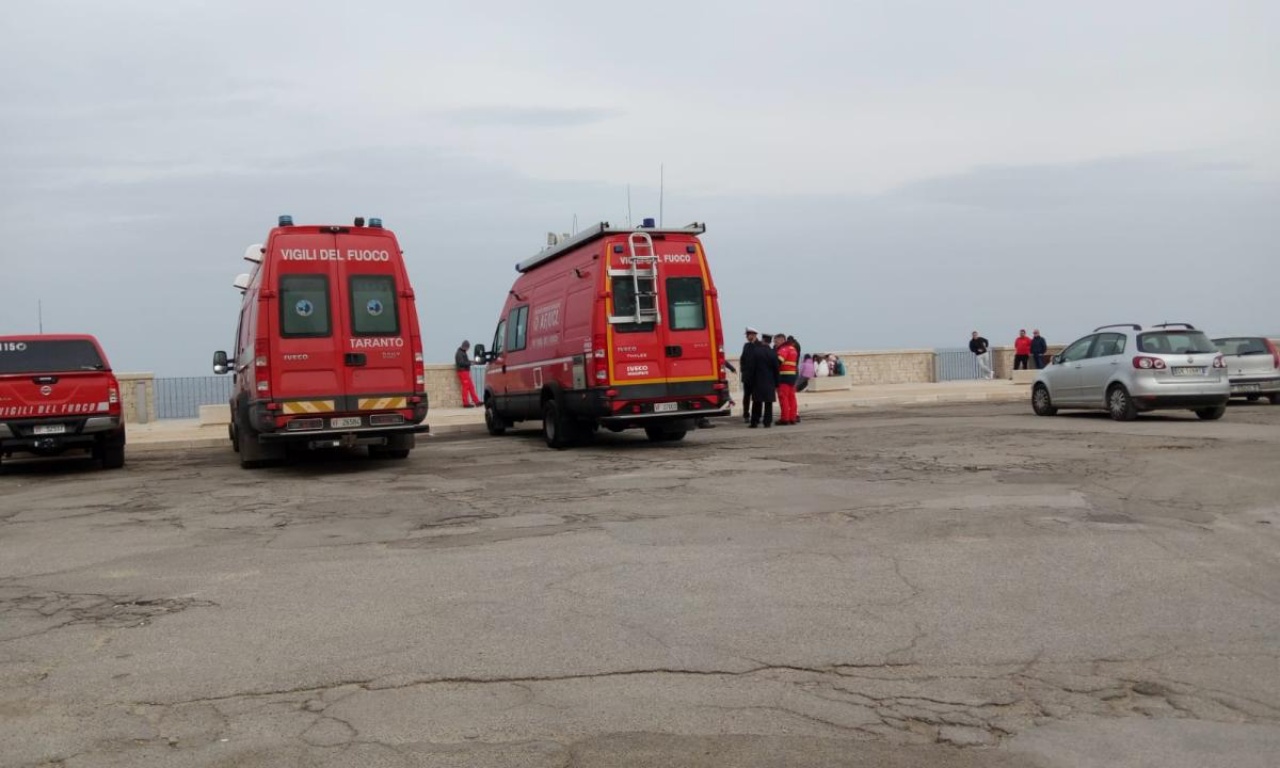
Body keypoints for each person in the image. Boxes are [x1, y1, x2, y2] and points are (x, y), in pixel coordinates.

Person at [747, 335, 779, 428]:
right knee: (768, 403)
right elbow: (776, 369)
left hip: (757, 380)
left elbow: (751, 367)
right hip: (770, 381)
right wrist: (777, 383)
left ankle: (754, 422)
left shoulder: (756, 351)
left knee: (757, 402)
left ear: (763, 340)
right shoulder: (773, 353)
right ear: (770, 342)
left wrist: (750, 380)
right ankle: (767, 422)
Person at [774, 333, 799, 425]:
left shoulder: (783, 349)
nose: (775, 343)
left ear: (782, 340)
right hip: (792, 377)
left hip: (783, 377)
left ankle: (785, 418)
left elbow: (778, 362)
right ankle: (792, 418)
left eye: (776, 341)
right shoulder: (793, 349)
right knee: (792, 398)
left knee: (783, 398)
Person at [739, 328, 761, 422]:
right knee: (746, 397)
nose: (747, 337)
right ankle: (746, 415)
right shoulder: (746, 346)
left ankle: (756, 416)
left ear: (754, 335)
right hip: (747, 377)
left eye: (748, 335)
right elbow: (743, 359)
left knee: (757, 397)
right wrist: (744, 371)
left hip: (757, 377)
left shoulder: (760, 345)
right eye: (747, 335)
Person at [455, 340, 482, 407]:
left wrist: (472, 361)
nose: (467, 349)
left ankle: (476, 401)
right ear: (465, 347)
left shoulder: (462, 352)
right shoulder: (459, 353)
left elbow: (465, 361)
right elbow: (461, 363)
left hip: (465, 372)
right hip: (462, 372)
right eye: (467, 348)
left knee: (471, 387)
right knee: (466, 387)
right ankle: (465, 403)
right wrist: (470, 363)